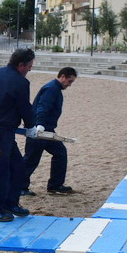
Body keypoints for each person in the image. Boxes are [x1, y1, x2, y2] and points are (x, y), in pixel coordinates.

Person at [0, 48, 40, 222]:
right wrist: (31, 126)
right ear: (21, 65)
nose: (30, 69)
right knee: (0, 171)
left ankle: (10, 203)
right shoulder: (20, 82)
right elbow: (24, 107)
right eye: (29, 66)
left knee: (17, 166)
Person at [21, 66, 78, 196]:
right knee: (31, 159)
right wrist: (40, 125)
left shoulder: (54, 88)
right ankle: (19, 187)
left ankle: (55, 185)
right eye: (69, 81)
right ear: (62, 77)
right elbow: (43, 107)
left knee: (60, 153)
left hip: (47, 129)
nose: (69, 84)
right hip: (39, 129)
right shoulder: (51, 89)